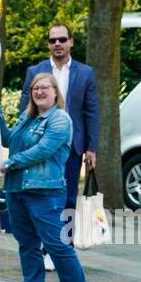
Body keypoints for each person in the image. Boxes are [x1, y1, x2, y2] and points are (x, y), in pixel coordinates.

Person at [0, 77, 103, 282]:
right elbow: (8, 140)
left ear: (56, 93)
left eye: (45, 87)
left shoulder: (60, 119)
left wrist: (12, 162)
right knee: (27, 244)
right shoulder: (27, 118)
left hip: (45, 191)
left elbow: (43, 150)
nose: (39, 91)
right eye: (35, 88)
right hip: (16, 189)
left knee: (57, 244)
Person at [19, 23, 99, 269]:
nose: (57, 44)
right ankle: (45, 247)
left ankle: (64, 247)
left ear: (71, 42)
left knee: (66, 198)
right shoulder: (36, 71)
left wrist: (91, 148)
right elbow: (25, 107)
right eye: (53, 40)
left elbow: (91, 111)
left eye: (62, 39)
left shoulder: (85, 73)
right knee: (43, 196)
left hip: (72, 146)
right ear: (48, 44)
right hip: (41, 144)